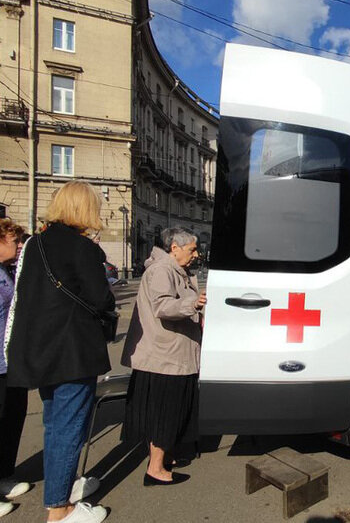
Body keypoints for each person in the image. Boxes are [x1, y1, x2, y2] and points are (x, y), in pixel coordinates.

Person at [6, 181, 114, 523]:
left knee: (55, 424)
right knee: (69, 427)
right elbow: (100, 299)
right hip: (73, 350)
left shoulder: (33, 244)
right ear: (84, 209)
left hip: (41, 349)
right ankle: (59, 509)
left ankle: (64, 486)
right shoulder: (82, 248)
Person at [121, 227, 206, 486]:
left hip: (173, 356)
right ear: (174, 248)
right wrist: (194, 304)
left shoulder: (174, 269)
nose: (196, 254)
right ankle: (155, 468)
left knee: (171, 412)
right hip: (165, 358)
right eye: (192, 249)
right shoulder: (161, 270)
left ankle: (164, 458)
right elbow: (162, 305)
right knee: (164, 414)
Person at [0, 220, 28, 518]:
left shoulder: (9, 271)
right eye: (14, 240)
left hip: (11, 362)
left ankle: (4, 474)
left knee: (12, 419)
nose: (19, 245)